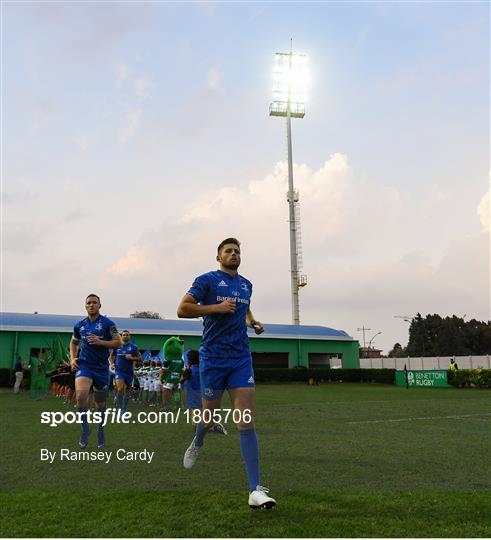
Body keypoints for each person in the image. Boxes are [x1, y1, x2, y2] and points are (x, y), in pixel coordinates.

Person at [177, 237, 276, 509]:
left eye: (237, 251)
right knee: (208, 418)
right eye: (228, 251)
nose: (233, 254)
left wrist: (252, 321)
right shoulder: (206, 280)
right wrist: (215, 308)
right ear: (218, 256)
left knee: (245, 421)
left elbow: (244, 307)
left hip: (240, 359)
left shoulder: (246, 285)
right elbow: (182, 308)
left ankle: (255, 490)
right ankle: (198, 440)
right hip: (212, 359)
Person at [70, 294, 122, 449]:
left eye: (94, 302)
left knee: (100, 405)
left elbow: (118, 343)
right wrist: (73, 358)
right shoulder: (79, 325)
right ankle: (85, 429)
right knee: (80, 396)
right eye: (88, 303)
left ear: (100, 305)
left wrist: (101, 342)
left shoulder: (108, 324)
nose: (91, 305)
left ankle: (100, 429)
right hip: (84, 365)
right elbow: (73, 342)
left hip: (101, 369)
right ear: (85, 306)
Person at [109, 330, 141, 416]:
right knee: (120, 389)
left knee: (127, 391)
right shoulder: (117, 346)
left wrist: (132, 358)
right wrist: (112, 364)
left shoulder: (134, 347)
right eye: (124, 335)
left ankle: (123, 409)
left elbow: (139, 358)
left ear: (129, 337)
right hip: (119, 371)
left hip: (129, 372)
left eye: (127, 335)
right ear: (121, 336)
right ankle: (120, 409)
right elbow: (111, 356)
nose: (125, 336)